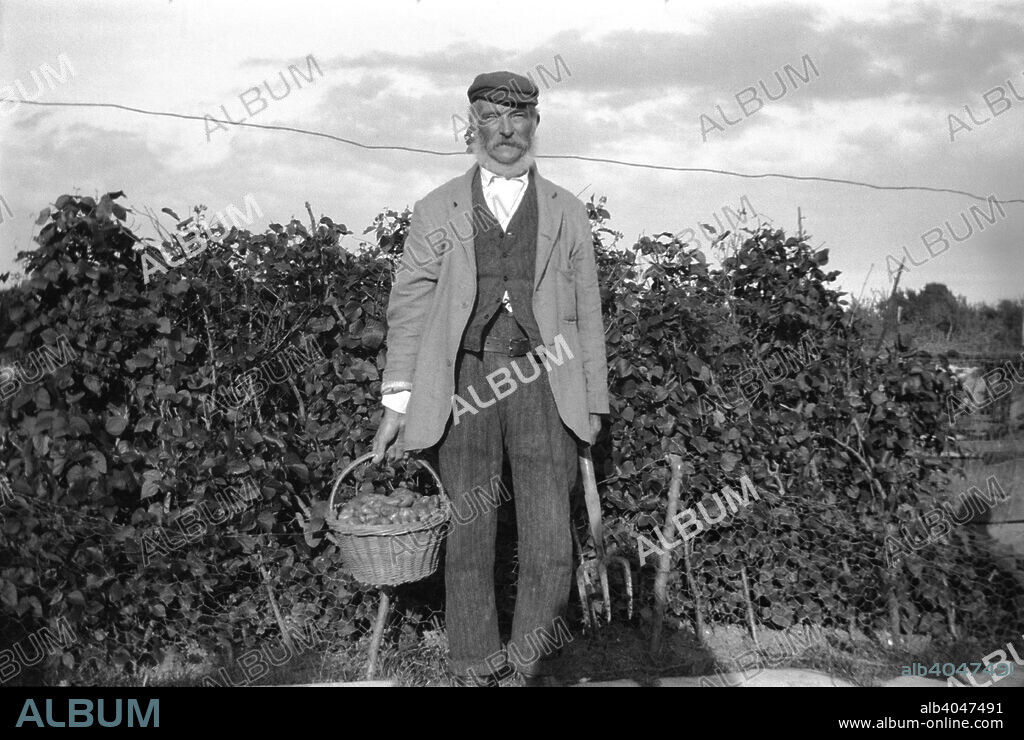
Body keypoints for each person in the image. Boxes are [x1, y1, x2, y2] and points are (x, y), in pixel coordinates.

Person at [371, 70, 609, 687]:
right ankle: (474, 664)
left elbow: (586, 308)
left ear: (535, 124)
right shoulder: (438, 206)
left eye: (518, 118)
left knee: (550, 538)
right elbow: (411, 302)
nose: (506, 132)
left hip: (545, 380)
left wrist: (594, 402)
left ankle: (531, 665)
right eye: (491, 119)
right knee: (469, 533)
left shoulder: (566, 210)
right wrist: (398, 400)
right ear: (472, 126)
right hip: (464, 384)